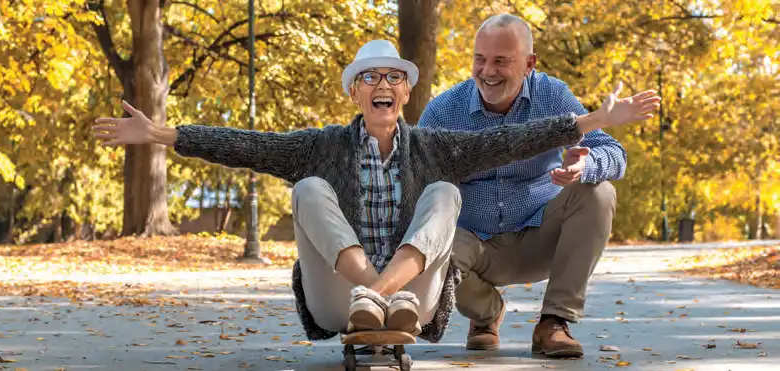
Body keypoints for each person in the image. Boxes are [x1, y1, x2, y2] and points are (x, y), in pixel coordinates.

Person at [93, 39, 658, 344]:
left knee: (443, 193)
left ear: (406, 94)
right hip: (339, 297)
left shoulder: (436, 145)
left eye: (392, 78)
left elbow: (518, 140)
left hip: (416, 300)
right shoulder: (321, 146)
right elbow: (245, 144)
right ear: (355, 94)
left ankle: (387, 294)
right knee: (310, 188)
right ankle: (372, 292)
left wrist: (587, 121)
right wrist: (161, 134)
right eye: (370, 78)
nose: (382, 85)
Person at [418, 14, 631, 356]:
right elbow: (417, 185)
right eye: (480, 59)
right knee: (424, 248)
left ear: (529, 63)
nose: (487, 71)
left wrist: (585, 165)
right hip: (473, 243)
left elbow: (614, 153)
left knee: (599, 192)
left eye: (501, 61)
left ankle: (554, 323)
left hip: (540, 236)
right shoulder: (443, 111)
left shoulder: (552, 95)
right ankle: (486, 315)